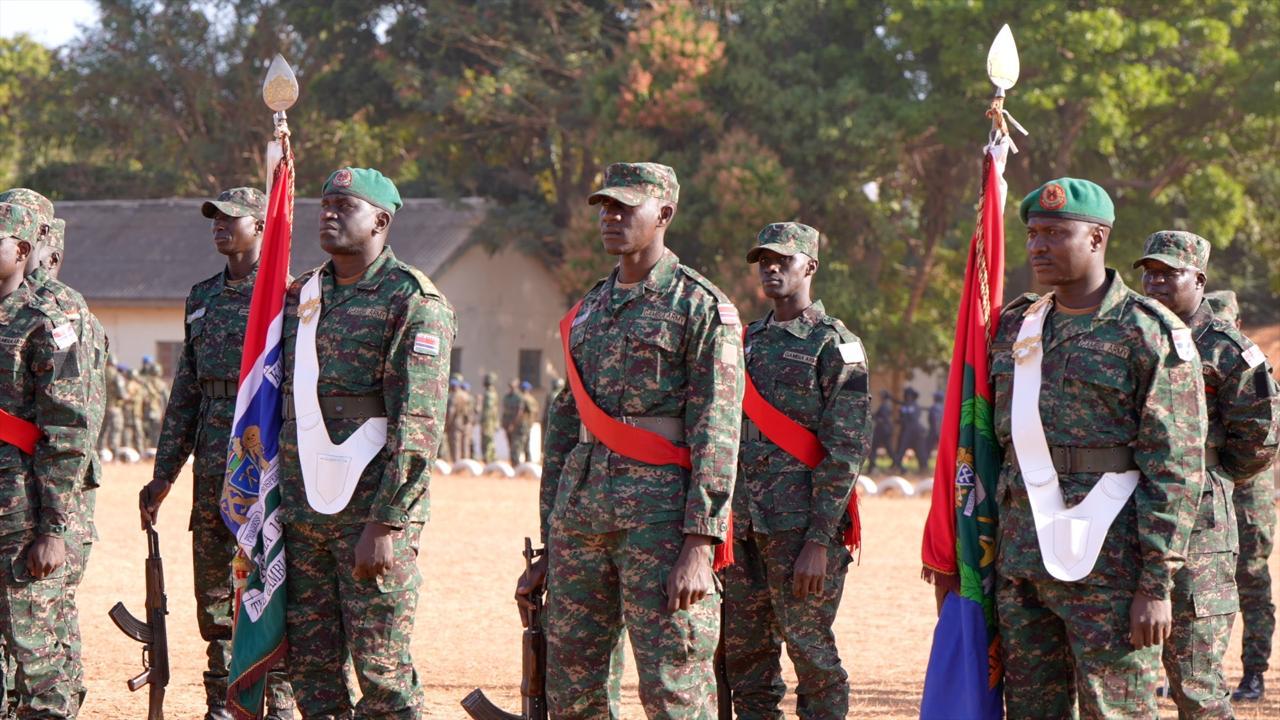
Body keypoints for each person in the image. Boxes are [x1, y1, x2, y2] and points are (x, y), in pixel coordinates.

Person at [515, 162, 743, 717]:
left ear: (664, 213)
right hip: (581, 520)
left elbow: (718, 429)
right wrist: (550, 544)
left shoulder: (700, 306)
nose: (610, 217)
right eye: (605, 207)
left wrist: (700, 543)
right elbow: (565, 428)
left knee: (672, 688)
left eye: (624, 207)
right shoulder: (589, 310)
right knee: (573, 690)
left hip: (661, 525)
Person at [990, 179, 1207, 718]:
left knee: (1116, 712)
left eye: (1054, 233)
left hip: (1113, 568)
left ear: (1096, 238)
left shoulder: (1149, 331)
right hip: (1024, 561)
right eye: (1033, 234)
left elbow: (1175, 467)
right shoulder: (1017, 325)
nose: (1038, 246)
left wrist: (1155, 584)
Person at [277, 167, 454, 717]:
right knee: (311, 666)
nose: (328, 214)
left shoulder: (413, 300)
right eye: (325, 204)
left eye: (344, 206)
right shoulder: (301, 295)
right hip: (302, 508)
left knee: (381, 670)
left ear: (380, 221)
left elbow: (418, 423)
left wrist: (387, 522)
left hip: (369, 510)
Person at [137, 187, 295, 720]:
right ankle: (222, 701)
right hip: (211, 456)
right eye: (214, 219)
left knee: (271, 574)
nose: (219, 226)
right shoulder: (201, 295)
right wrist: (164, 473)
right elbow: (185, 388)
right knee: (213, 587)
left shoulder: (285, 295)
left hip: (266, 457)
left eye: (231, 218)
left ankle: (276, 701)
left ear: (261, 226)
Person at [725, 222, 870, 718]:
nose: (771, 268)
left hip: (801, 530)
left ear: (810, 266)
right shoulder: (744, 340)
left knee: (812, 656)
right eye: (763, 260)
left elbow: (846, 450)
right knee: (745, 660)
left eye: (782, 259)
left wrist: (818, 541)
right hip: (743, 527)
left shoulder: (836, 345)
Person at [1136, 234, 1279, 714]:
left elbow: (1261, 435)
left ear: (1199, 279)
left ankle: (1254, 670)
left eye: (1168, 274)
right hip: (1130, 518)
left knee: (1196, 678)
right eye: (1149, 273)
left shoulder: (1227, 350)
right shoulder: (1133, 335)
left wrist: (1211, 474)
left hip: (1200, 527)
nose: (1155, 283)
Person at [6, 190, 109, 715]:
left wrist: (55, 529)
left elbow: (70, 429)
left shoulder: (54, 317)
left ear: (24, 249)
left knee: (38, 647)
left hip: (28, 509)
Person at [1206, 291, 1280, 703]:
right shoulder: (1189, 359)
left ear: (1236, 324)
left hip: (1247, 489)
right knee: (1204, 582)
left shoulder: (1252, 365)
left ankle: (1253, 672)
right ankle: (1205, 672)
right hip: (1209, 485)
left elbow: (1264, 434)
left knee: (1250, 579)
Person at [892, 387, 928, 474]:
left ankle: (923, 467)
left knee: (919, 450)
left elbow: (912, 418)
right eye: (906, 395)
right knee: (901, 450)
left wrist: (902, 420)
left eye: (909, 395)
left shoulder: (913, 406)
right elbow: (902, 417)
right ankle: (898, 467)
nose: (907, 396)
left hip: (914, 432)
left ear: (912, 396)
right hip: (907, 431)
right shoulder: (905, 406)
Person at [870, 391, 895, 473]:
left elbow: (883, 419)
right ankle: (872, 466)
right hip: (884, 430)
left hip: (882, 430)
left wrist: (874, 417)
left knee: (877, 448)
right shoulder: (886, 405)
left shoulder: (885, 406)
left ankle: (872, 467)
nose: (879, 397)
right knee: (887, 448)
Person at [501, 380, 527, 463]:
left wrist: (513, 424)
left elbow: (519, 412)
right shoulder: (506, 397)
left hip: (516, 425)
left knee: (516, 444)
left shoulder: (519, 397)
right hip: (507, 424)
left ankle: (516, 462)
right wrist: (503, 423)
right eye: (510, 386)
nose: (511, 388)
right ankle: (513, 462)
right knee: (510, 444)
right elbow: (504, 411)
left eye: (513, 386)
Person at [480, 372, 500, 463]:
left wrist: (484, 422)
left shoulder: (489, 394)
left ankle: (489, 458)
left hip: (488, 421)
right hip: (490, 421)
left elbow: (489, 410)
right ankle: (490, 458)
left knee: (487, 439)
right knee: (489, 439)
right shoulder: (492, 393)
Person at [518, 380, 539, 460]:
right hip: (529, 422)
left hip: (524, 422)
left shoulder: (523, 399)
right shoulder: (532, 399)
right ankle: (528, 459)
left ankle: (522, 459)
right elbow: (536, 411)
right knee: (527, 441)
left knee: (521, 441)